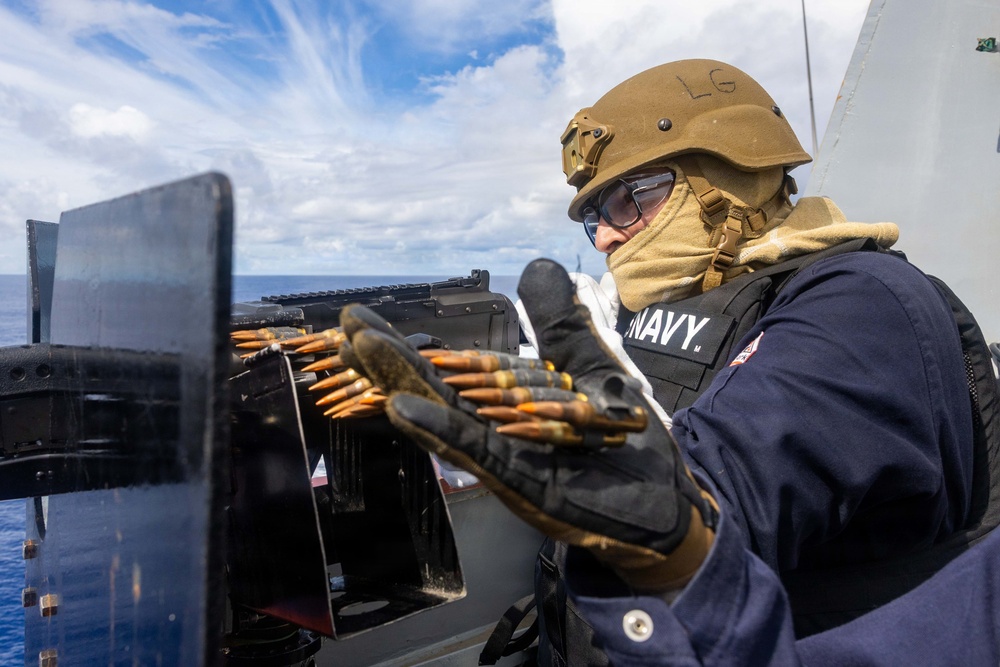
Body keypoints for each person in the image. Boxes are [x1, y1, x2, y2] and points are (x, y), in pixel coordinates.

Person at [337, 59, 1000, 665]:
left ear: (731, 176)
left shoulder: (862, 303)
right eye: (594, 215)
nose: (604, 235)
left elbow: (736, 477)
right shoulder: (646, 313)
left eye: (628, 199)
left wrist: (666, 507)